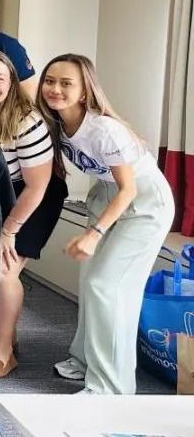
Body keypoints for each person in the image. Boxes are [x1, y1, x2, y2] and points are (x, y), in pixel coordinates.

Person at [38, 54, 175, 395]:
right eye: (50, 81)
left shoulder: (104, 130)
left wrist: (94, 234)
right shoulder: (55, 122)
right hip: (105, 195)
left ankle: (110, 388)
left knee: (107, 286)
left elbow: (129, 189)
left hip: (143, 203)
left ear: (85, 91)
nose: (55, 89)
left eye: (66, 83)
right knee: (90, 283)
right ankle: (86, 360)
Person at [0, 49, 65, 380]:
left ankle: (4, 353)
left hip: (35, 196)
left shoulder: (26, 121)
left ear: (11, 84)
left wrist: (9, 231)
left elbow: (37, 186)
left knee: (3, 272)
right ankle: (8, 339)